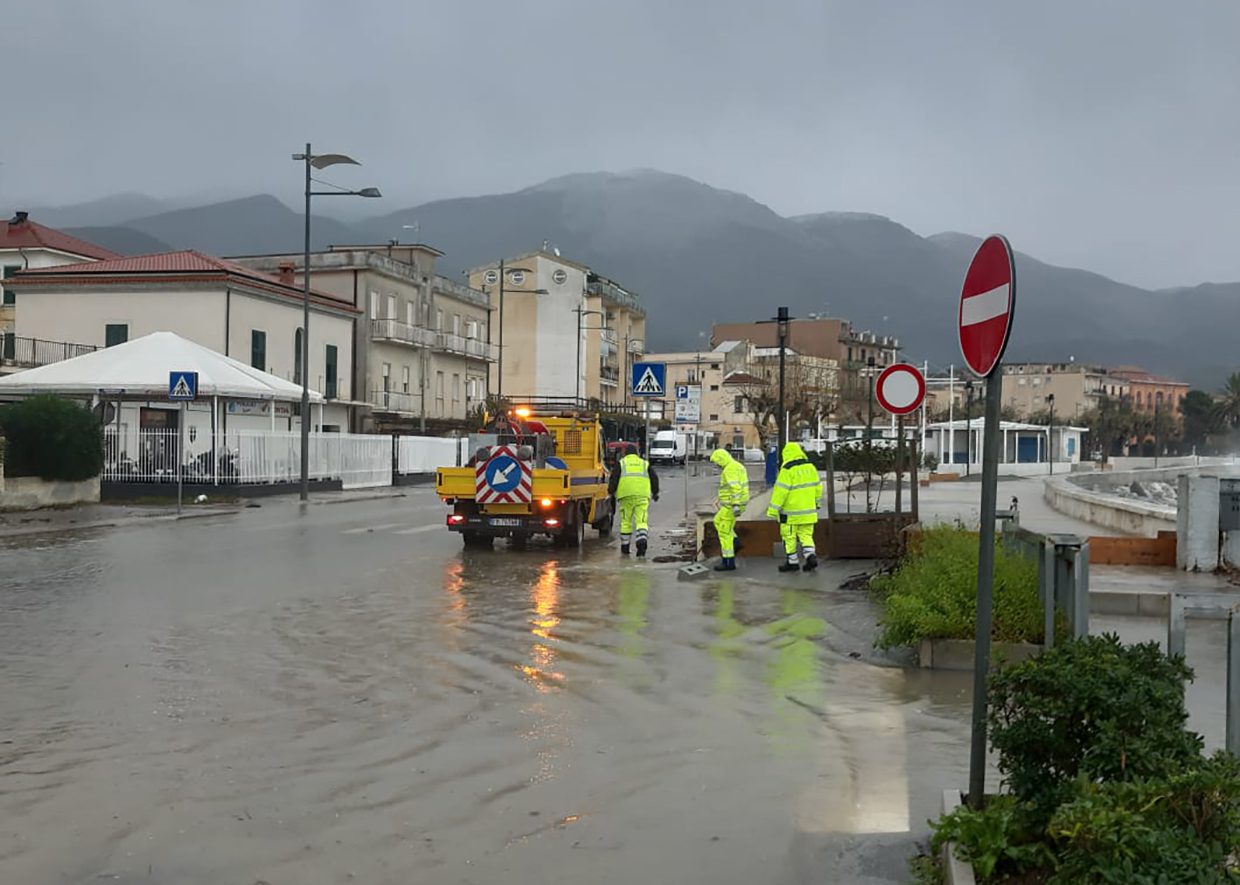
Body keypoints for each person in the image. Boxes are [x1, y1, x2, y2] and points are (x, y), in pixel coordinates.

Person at [766, 441, 823, 573]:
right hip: (809, 512)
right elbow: (818, 488)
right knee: (806, 535)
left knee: (789, 537)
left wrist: (773, 510)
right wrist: (817, 503)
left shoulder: (787, 470)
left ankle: (792, 562)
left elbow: (780, 492)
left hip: (790, 513)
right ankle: (810, 556)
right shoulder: (811, 467)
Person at [607, 443, 659, 557]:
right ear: (637, 453)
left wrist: (611, 491)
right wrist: (655, 493)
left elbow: (614, 479)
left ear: (625, 453)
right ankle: (641, 542)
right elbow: (654, 478)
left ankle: (625, 547)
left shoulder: (621, 463)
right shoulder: (644, 464)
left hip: (625, 496)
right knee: (641, 520)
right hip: (642, 496)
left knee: (626, 521)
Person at [709, 448, 750, 571]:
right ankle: (736, 541)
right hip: (731, 504)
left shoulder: (729, 469)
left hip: (731, 505)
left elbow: (735, 487)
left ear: (721, 459)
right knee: (717, 521)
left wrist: (736, 505)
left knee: (724, 532)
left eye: (717, 462)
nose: (717, 465)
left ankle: (728, 561)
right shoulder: (736, 466)